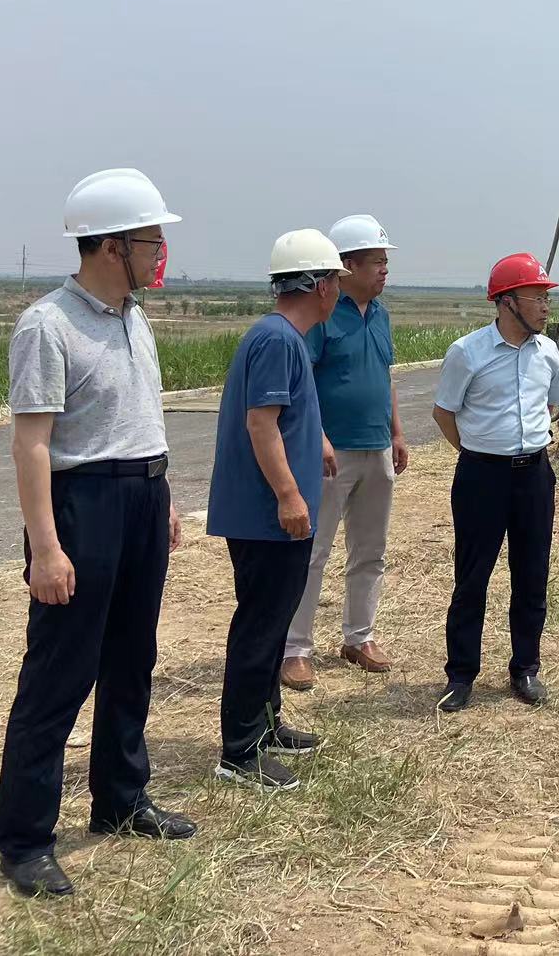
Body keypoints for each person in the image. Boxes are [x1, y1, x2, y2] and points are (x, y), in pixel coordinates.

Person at [0, 168, 194, 898]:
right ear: (112, 246)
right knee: (60, 673)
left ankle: (121, 798)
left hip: (142, 496)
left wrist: (160, 494)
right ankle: (25, 839)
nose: (161, 253)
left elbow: (136, 415)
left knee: (132, 657)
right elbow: (32, 444)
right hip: (83, 505)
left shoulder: (134, 317)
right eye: (151, 241)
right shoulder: (47, 325)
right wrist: (46, 547)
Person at [207, 230, 348, 789]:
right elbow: (261, 425)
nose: (338, 291)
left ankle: (266, 725)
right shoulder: (277, 340)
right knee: (260, 627)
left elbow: (286, 418)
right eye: (336, 280)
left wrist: (318, 442)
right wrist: (290, 495)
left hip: (272, 515)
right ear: (320, 286)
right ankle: (239, 751)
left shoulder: (284, 338)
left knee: (272, 622)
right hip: (266, 516)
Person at [431, 253, 559, 712]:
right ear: (507, 301)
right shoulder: (467, 353)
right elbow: (444, 413)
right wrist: (478, 451)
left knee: (532, 574)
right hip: (481, 477)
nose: (545, 307)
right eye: (536, 297)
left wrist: (521, 443)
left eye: (547, 298)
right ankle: (460, 675)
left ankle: (525, 668)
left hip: (534, 475)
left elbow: (552, 404)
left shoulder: (548, 352)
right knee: (472, 577)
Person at [281, 214, 409, 692]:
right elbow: (301, 382)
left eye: (385, 261)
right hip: (331, 454)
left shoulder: (381, 315)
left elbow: (385, 376)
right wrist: (317, 438)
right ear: (347, 265)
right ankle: (295, 648)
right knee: (313, 552)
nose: (384, 270)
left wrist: (397, 433)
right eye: (376, 261)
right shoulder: (322, 316)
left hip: (376, 447)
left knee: (370, 550)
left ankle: (359, 637)